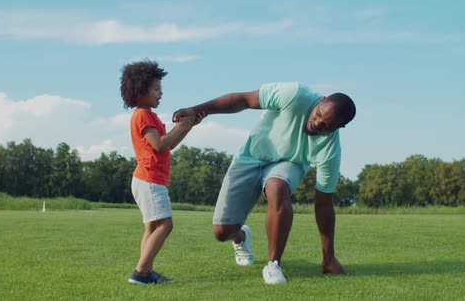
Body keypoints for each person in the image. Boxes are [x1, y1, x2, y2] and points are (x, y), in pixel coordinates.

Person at [173, 82, 355, 284]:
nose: (317, 123)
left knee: (277, 187)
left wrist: (328, 257)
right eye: (318, 114)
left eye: (327, 126)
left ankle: (273, 264)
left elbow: (324, 204)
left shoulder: (330, 151)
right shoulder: (294, 95)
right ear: (321, 101)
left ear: (340, 127)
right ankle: (241, 237)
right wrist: (197, 110)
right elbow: (243, 99)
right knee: (222, 232)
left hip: (289, 164)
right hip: (250, 158)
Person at [120, 59, 204, 285]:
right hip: (149, 180)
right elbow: (158, 144)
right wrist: (182, 126)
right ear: (140, 91)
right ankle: (140, 272)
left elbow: (169, 144)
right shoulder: (143, 116)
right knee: (166, 225)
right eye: (156, 89)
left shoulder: (150, 116)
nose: (161, 94)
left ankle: (145, 272)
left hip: (147, 180)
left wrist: (187, 127)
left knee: (151, 226)